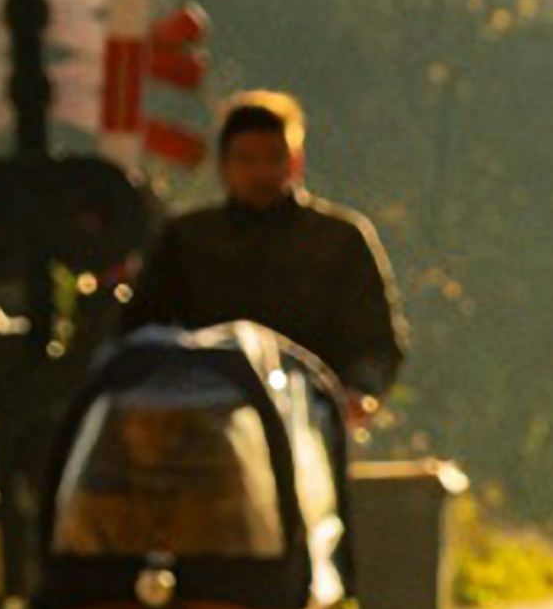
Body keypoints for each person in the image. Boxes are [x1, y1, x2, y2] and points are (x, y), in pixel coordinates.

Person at [125, 90, 405, 408]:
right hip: (204, 420)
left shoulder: (340, 240)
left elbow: (376, 343)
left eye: (275, 157)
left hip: (310, 416)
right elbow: (141, 331)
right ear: (224, 165)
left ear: (296, 161)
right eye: (246, 159)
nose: (262, 172)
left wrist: (357, 392)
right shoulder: (187, 238)